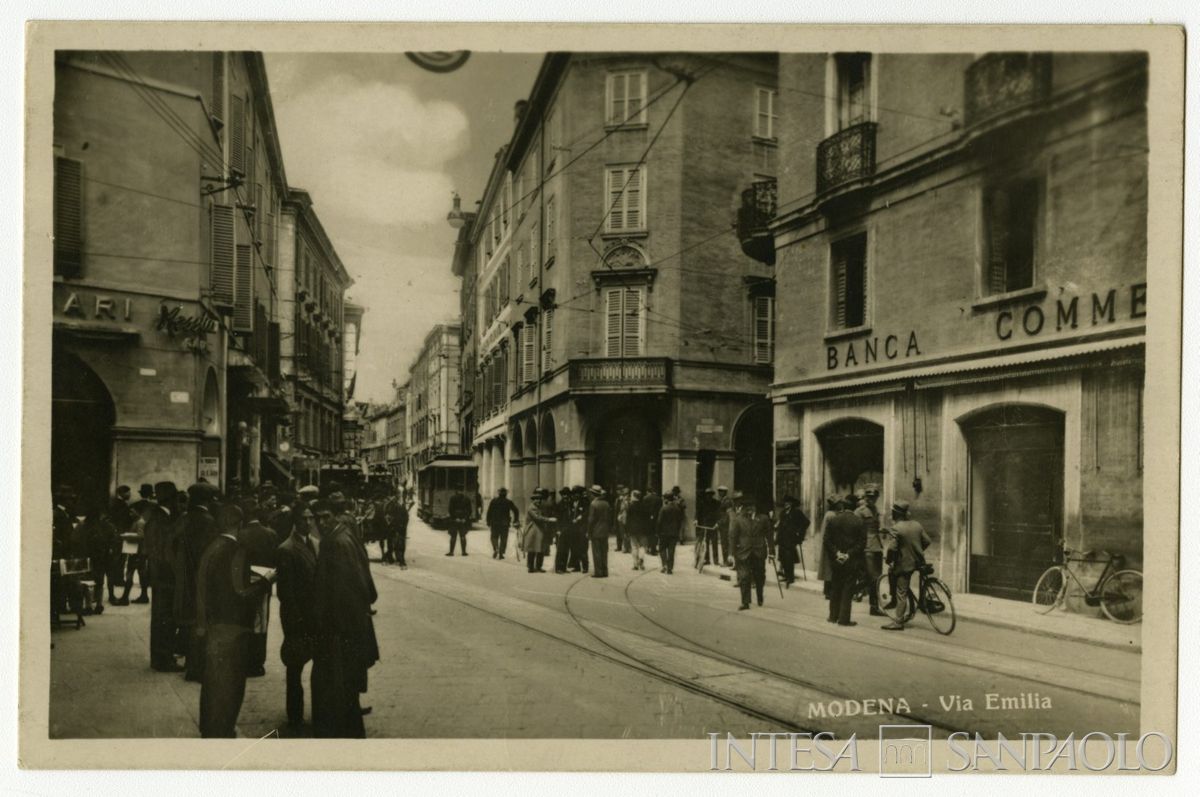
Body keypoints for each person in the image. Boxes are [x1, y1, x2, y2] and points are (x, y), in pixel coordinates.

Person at [195, 504, 274, 738]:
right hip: (233, 627)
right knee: (230, 685)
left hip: (213, 624)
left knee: (212, 683)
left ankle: (210, 728)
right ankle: (222, 730)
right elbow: (241, 592)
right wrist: (265, 583)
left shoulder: (211, 547)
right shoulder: (236, 550)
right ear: (239, 524)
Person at [311, 500, 379, 738]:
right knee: (349, 683)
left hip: (341, 625)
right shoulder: (346, 535)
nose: (322, 523)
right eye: (318, 518)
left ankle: (344, 733)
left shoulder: (332, 542)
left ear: (336, 516)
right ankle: (352, 730)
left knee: (340, 683)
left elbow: (331, 589)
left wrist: (323, 620)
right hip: (354, 621)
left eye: (326, 516)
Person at [276, 505, 318, 727]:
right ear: (295, 521)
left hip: (314, 616)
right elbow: (286, 592)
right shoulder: (287, 549)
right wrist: (297, 620)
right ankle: (295, 714)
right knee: (295, 668)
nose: (308, 522)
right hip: (298, 618)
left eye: (311, 518)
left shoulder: (315, 543)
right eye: (304, 518)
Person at [176, 483, 220, 682]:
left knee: (190, 619)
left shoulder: (185, 518)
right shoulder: (207, 521)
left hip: (185, 576)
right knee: (201, 621)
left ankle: (190, 662)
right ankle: (197, 667)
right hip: (201, 577)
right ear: (207, 500)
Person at [143, 481, 183, 671]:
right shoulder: (161, 520)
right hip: (164, 577)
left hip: (161, 576)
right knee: (164, 618)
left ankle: (162, 657)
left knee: (163, 618)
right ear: (171, 499)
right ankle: (162, 659)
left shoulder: (158, 518)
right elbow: (162, 552)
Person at [238, 496, 279, 678]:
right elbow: (276, 561)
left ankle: (244, 660)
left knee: (244, 621)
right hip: (264, 583)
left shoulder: (240, 535)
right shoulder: (270, 534)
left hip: (244, 583)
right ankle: (257, 662)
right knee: (261, 623)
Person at [880, 501, 933, 631]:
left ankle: (898, 621)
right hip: (919, 562)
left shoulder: (897, 528)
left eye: (893, 512)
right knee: (905, 584)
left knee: (901, 591)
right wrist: (917, 551)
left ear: (896, 514)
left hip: (905, 564)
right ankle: (912, 608)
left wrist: (889, 560)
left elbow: (892, 548)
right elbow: (927, 541)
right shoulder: (917, 525)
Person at [823, 495, 865, 626]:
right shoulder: (859, 522)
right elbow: (862, 543)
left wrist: (837, 553)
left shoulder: (834, 520)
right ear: (855, 507)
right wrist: (848, 554)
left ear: (843, 506)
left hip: (836, 560)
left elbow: (826, 540)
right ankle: (844, 619)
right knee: (848, 589)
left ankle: (832, 616)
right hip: (851, 561)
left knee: (836, 586)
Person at [729, 493, 772, 609]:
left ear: (756, 507)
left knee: (759, 576)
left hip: (759, 552)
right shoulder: (738, 520)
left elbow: (769, 536)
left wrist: (772, 552)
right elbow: (733, 537)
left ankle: (760, 596)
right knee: (744, 577)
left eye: (752, 506)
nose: (749, 508)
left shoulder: (763, 519)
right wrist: (731, 553)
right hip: (743, 553)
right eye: (747, 506)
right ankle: (745, 602)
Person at [119, 483, 155, 604]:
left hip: (137, 549)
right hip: (143, 549)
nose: (131, 514)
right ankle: (143, 595)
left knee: (130, 572)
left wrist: (128, 536)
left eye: (132, 512)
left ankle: (125, 597)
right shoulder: (153, 507)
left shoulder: (138, 521)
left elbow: (140, 536)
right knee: (141, 572)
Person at [857, 484, 887, 617]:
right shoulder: (860, 511)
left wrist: (882, 531)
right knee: (872, 578)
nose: (871, 500)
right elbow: (856, 530)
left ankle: (873, 606)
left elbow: (876, 528)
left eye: (874, 497)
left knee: (877, 577)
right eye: (869, 497)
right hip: (866, 547)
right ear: (865, 497)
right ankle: (872, 606)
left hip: (877, 547)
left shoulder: (875, 510)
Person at [775, 495, 811, 585]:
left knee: (789, 558)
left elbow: (806, 522)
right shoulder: (783, 513)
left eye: (788, 502)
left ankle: (790, 578)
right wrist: (777, 539)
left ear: (791, 504)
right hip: (782, 539)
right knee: (783, 557)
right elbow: (780, 526)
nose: (786, 504)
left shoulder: (796, 512)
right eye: (785, 502)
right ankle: (786, 575)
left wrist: (799, 533)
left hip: (791, 539)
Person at [524, 490, 554, 573]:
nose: (538, 500)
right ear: (533, 500)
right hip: (533, 531)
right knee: (532, 549)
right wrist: (549, 519)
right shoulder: (531, 508)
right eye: (536, 499)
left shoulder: (539, 507)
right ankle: (530, 567)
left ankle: (538, 566)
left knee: (540, 549)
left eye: (539, 499)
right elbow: (537, 518)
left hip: (539, 530)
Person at [486, 487, 520, 560]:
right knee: (504, 538)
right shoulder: (508, 502)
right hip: (504, 523)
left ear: (499, 494)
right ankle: (501, 553)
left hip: (494, 523)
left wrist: (488, 521)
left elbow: (489, 512)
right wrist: (515, 520)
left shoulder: (494, 501)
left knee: (494, 537)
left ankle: (496, 548)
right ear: (506, 494)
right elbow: (516, 510)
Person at [657, 492, 685, 574]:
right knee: (671, 550)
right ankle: (670, 567)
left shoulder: (663, 509)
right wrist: (677, 531)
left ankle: (664, 565)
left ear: (666, 499)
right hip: (674, 533)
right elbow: (680, 521)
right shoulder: (677, 509)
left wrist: (658, 531)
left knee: (662, 549)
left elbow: (659, 521)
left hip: (663, 533)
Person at [586, 486, 611, 578]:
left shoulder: (593, 504)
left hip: (596, 530)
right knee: (604, 552)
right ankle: (605, 571)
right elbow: (609, 518)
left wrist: (588, 531)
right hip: (605, 530)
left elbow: (591, 520)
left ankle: (598, 572)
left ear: (593, 494)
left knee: (596, 552)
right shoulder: (606, 504)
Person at [383, 494, 409, 568]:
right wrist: (390, 524)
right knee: (393, 542)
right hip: (394, 526)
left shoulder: (402, 507)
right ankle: (392, 557)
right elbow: (388, 517)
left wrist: (403, 525)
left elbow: (406, 518)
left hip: (400, 527)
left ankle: (400, 559)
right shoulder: (391, 506)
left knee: (400, 543)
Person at [696, 487, 721, 565]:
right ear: (706, 495)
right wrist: (696, 520)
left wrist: (717, 523)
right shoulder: (702, 503)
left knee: (714, 543)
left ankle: (716, 560)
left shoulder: (717, 503)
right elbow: (698, 513)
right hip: (705, 525)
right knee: (705, 542)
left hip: (713, 526)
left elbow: (719, 514)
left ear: (712, 495)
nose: (709, 496)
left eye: (710, 494)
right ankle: (707, 559)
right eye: (707, 494)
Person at [626, 490, 649, 570]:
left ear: (633, 496)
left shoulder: (630, 506)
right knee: (643, 546)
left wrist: (627, 530)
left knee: (634, 547)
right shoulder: (644, 506)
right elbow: (647, 519)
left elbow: (628, 519)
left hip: (632, 529)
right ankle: (641, 560)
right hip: (643, 529)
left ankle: (635, 564)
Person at [446, 488, 473, 556]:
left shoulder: (453, 498)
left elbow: (450, 509)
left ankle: (451, 552)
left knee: (453, 536)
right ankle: (464, 552)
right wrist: (465, 518)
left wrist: (455, 518)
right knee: (463, 536)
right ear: (463, 491)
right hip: (463, 520)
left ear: (457, 491)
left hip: (454, 520)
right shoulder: (467, 499)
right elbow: (469, 510)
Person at [715, 486, 733, 567]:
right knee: (724, 543)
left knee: (725, 543)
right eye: (719, 491)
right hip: (723, 525)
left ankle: (727, 561)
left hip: (725, 525)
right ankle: (726, 560)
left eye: (721, 491)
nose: (719, 493)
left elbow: (727, 515)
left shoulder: (727, 501)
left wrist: (719, 523)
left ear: (725, 492)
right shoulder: (722, 500)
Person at [642, 488, 663, 556]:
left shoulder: (645, 498)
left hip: (647, 519)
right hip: (656, 519)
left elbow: (643, 509)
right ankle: (653, 548)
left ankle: (648, 548)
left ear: (647, 492)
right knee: (655, 534)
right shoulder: (659, 499)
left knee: (648, 534)